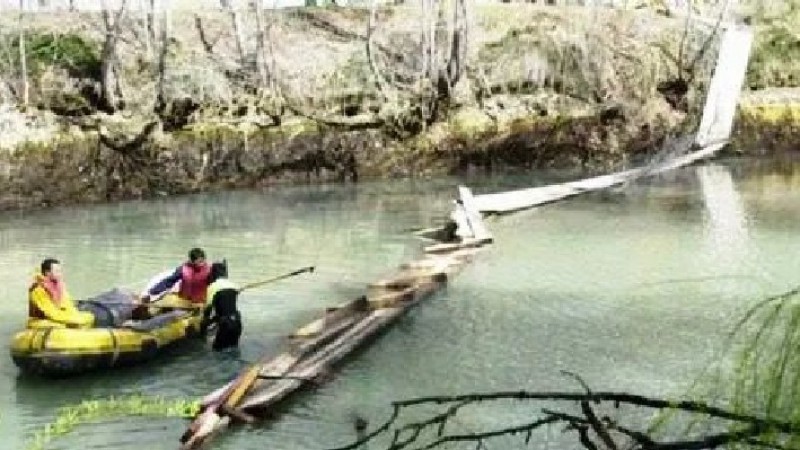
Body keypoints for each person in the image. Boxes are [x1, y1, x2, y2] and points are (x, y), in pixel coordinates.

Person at [28, 258, 94, 329]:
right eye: (57, 271)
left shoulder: (58, 286)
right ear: (47, 273)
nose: (60, 274)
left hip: (58, 315)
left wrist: (75, 315)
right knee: (62, 326)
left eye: (60, 271)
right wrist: (72, 319)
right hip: (42, 320)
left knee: (89, 316)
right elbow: (51, 312)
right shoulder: (38, 289)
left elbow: (68, 305)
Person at [141, 248, 212, 306]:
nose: (201, 264)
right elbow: (168, 282)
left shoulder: (210, 269)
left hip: (200, 302)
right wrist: (151, 292)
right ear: (191, 261)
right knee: (165, 299)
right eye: (199, 262)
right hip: (184, 300)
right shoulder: (183, 269)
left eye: (203, 261)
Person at [201, 261, 242, 351]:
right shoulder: (233, 285)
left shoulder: (212, 287)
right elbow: (227, 304)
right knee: (233, 350)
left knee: (217, 351)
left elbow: (207, 310)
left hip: (225, 324)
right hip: (237, 322)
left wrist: (202, 330)